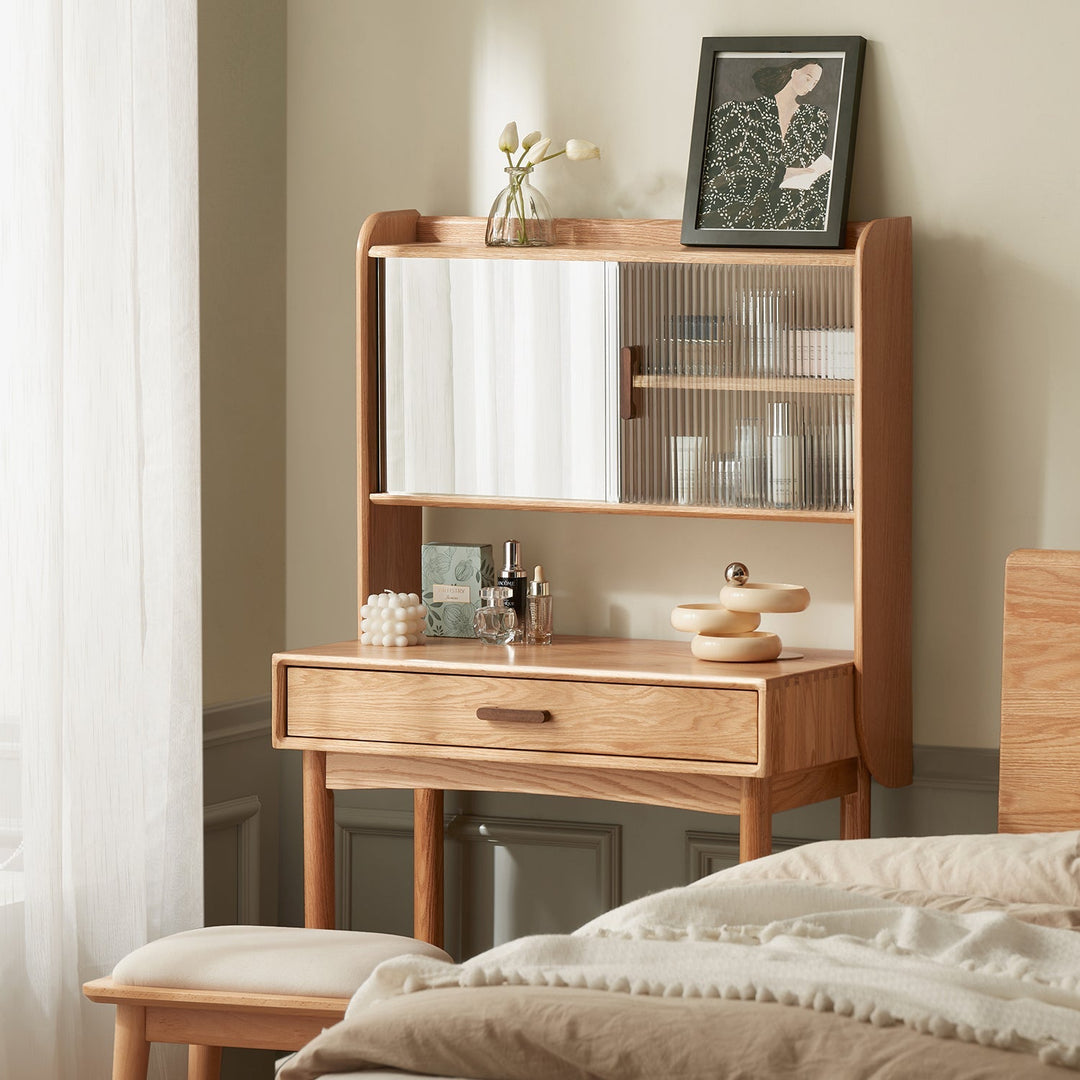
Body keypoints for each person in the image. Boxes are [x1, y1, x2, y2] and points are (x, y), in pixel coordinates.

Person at [699, 59, 832, 231]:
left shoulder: (814, 118)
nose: (811, 87)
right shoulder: (738, 114)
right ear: (794, 72)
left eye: (815, 83)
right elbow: (717, 178)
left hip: (793, 212)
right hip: (739, 211)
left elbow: (812, 169)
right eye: (808, 78)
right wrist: (781, 173)